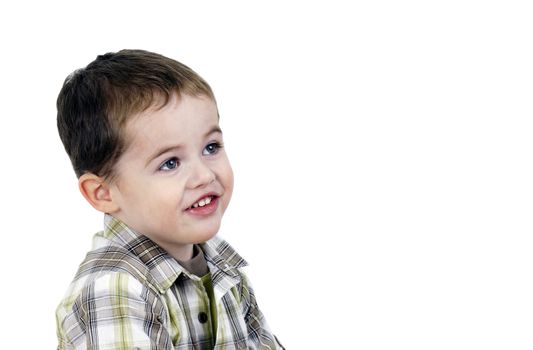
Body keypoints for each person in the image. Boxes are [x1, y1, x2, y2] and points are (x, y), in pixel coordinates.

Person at [55, 49, 283, 350]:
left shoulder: (223, 266)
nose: (204, 175)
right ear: (103, 193)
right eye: (170, 163)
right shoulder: (115, 288)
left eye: (211, 147)